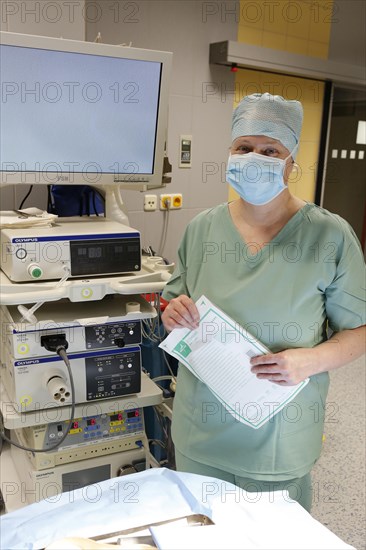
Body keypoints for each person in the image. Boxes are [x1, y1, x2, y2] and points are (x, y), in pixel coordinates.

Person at [161, 93, 366, 512]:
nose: (255, 158)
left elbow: (359, 331)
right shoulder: (202, 229)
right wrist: (172, 313)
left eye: (270, 150)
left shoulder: (330, 237)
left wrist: (309, 361)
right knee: (201, 535)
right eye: (244, 148)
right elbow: (172, 306)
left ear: (291, 162)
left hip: (278, 438)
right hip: (201, 430)